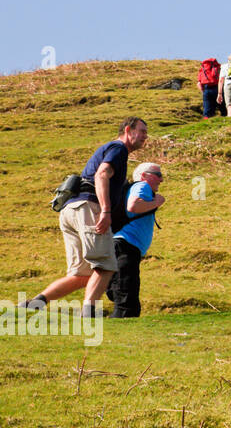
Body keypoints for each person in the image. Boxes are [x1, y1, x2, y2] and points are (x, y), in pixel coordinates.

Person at [24, 118, 149, 317]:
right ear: (128, 130)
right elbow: (101, 175)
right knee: (107, 264)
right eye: (142, 131)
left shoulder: (109, 149)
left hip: (70, 209)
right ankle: (89, 313)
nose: (145, 136)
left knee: (82, 274)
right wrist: (106, 211)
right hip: (88, 207)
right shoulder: (119, 149)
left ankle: (35, 304)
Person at [105, 163, 165, 318]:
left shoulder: (136, 188)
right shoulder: (142, 186)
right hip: (126, 245)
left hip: (121, 244)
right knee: (127, 301)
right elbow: (133, 206)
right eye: (158, 175)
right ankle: (121, 332)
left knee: (121, 291)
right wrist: (156, 203)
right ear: (144, 175)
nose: (161, 179)